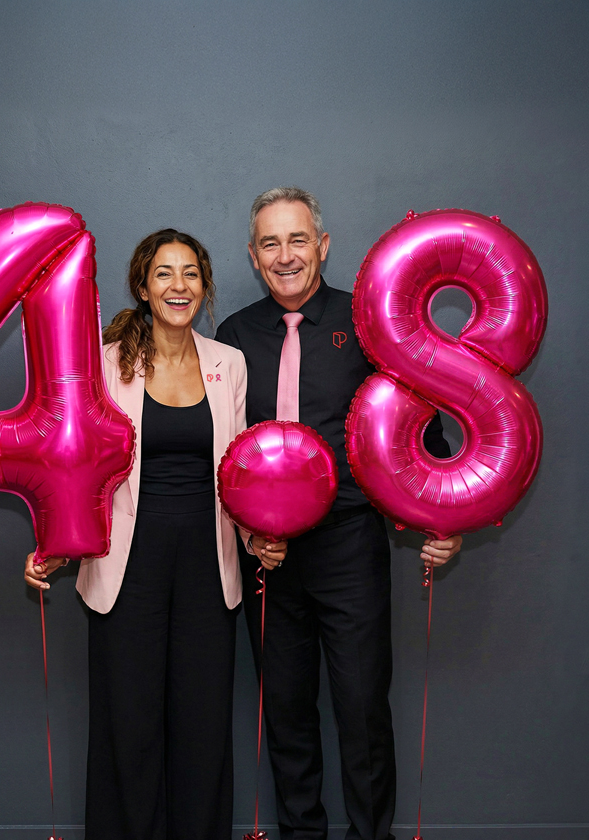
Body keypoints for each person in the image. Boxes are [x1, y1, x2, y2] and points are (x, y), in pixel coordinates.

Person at [215, 188, 462, 840]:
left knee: (360, 708)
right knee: (288, 713)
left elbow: (416, 426)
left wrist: (442, 519)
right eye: (270, 242)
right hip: (269, 553)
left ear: (323, 246)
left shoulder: (370, 322)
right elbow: (222, 451)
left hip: (349, 542)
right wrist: (247, 533)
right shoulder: (234, 335)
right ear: (253, 254)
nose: (285, 254)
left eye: (298, 239)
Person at [24, 229, 283, 840]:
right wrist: (54, 549)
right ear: (142, 286)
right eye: (164, 274)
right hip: (124, 569)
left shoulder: (230, 363)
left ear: (204, 286)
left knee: (200, 726)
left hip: (207, 567)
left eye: (191, 273)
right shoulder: (104, 362)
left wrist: (259, 539)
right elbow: (69, 463)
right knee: (130, 727)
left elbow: (239, 474)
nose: (178, 286)